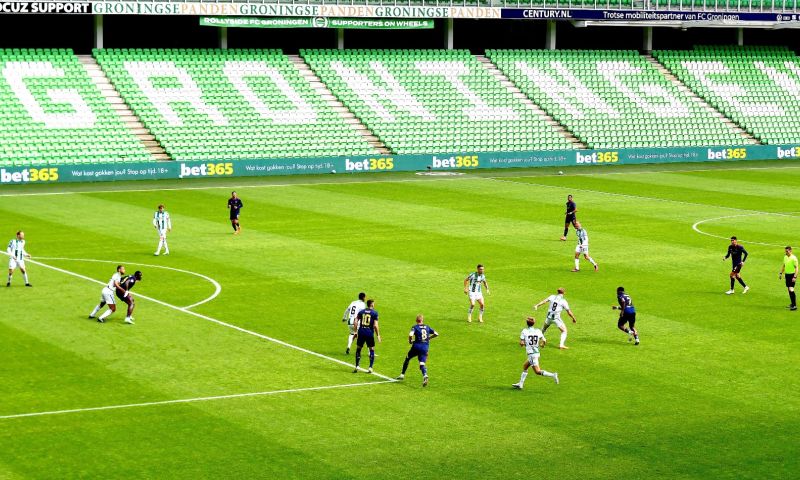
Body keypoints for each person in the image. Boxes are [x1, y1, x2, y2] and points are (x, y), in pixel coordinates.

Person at [512, 317, 558, 389]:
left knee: (537, 371)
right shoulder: (538, 331)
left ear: (527, 323)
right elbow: (544, 340)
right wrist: (542, 345)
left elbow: (521, 343)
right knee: (525, 366)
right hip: (536, 352)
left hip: (531, 354)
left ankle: (553, 375)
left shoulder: (524, 331)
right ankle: (520, 384)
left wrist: (523, 343)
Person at [396, 314, 438, 387]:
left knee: (407, 358)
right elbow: (436, 334)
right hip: (425, 347)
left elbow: (410, 335)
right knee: (422, 363)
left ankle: (402, 375)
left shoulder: (415, 327)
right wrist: (429, 338)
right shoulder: (427, 327)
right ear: (422, 320)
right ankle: (425, 375)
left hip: (416, 346)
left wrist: (410, 341)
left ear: (416, 320)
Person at [353, 299, 381, 373]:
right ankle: (370, 367)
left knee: (358, 349)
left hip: (361, 331)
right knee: (371, 349)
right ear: (371, 304)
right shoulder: (375, 313)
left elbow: (355, 321)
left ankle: (357, 366)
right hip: (369, 332)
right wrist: (378, 335)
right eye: (373, 304)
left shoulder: (361, 312)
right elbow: (375, 325)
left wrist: (355, 332)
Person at [779, 246, 798, 311]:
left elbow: (797, 268)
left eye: (787, 251)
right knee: (789, 289)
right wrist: (781, 273)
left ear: (790, 251)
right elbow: (784, 265)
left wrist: (795, 277)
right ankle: (792, 304)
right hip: (787, 275)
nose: (786, 252)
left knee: (791, 289)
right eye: (785, 251)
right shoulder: (785, 257)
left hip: (792, 275)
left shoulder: (794, 258)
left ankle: (794, 306)